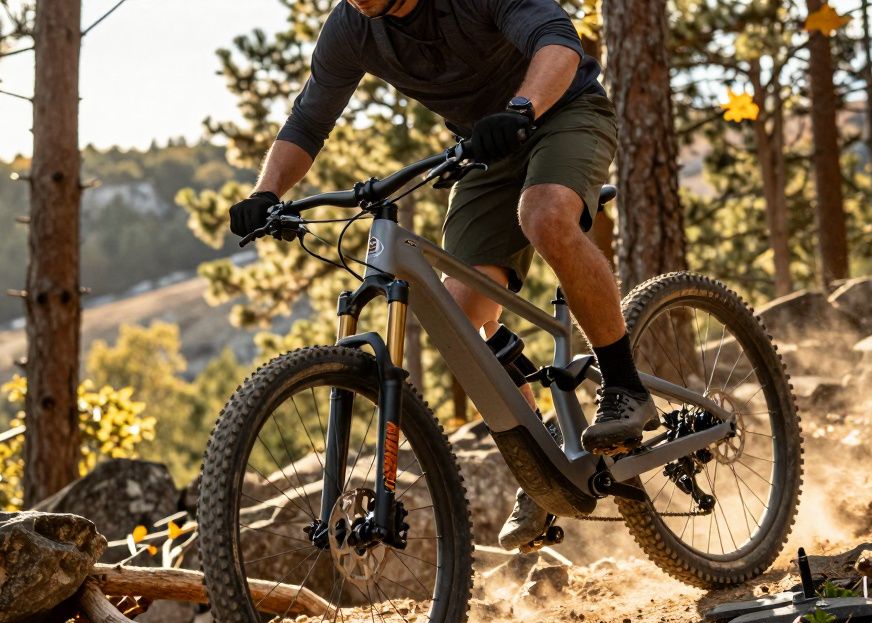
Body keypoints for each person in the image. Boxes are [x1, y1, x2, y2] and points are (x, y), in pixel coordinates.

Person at [228, 0, 658, 550]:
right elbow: (310, 120)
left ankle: (623, 385)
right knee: (458, 317)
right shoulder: (350, 28)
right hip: (483, 148)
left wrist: (522, 109)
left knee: (545, 215)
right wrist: (266, 193)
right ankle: (542, 456)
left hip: (564, 112)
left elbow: (558, 41)